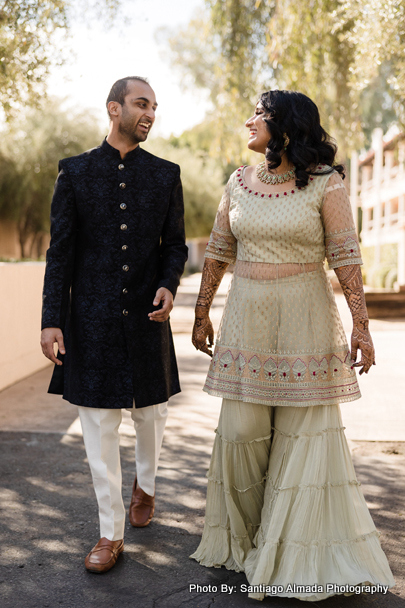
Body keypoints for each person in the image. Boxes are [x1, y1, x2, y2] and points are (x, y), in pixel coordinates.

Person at [191, 90, 394, 600]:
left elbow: (346, 256)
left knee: (303, 440)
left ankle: (287, 550)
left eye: (259, 115)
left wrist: (362, 324)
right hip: (246, 321)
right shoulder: (238, 183)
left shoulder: (326, 184)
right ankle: (244, 542)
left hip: (307, 319)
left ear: (286, 126)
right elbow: (217, 250)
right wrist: (200, 310)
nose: (248, 122)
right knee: (241, 432)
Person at [40, 76, 188, 573]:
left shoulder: (166, 174)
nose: (150, 113)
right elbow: (59, 253)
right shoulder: (75, 173)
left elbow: (176, 246)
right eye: (141, 104)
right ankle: (110, 532)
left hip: (147, 319)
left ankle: (145, 483)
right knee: (98, 427)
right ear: (114, 108)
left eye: (154, 107)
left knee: (151, 415)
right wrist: (51, 320)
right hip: (91, 322)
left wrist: (170, 283)